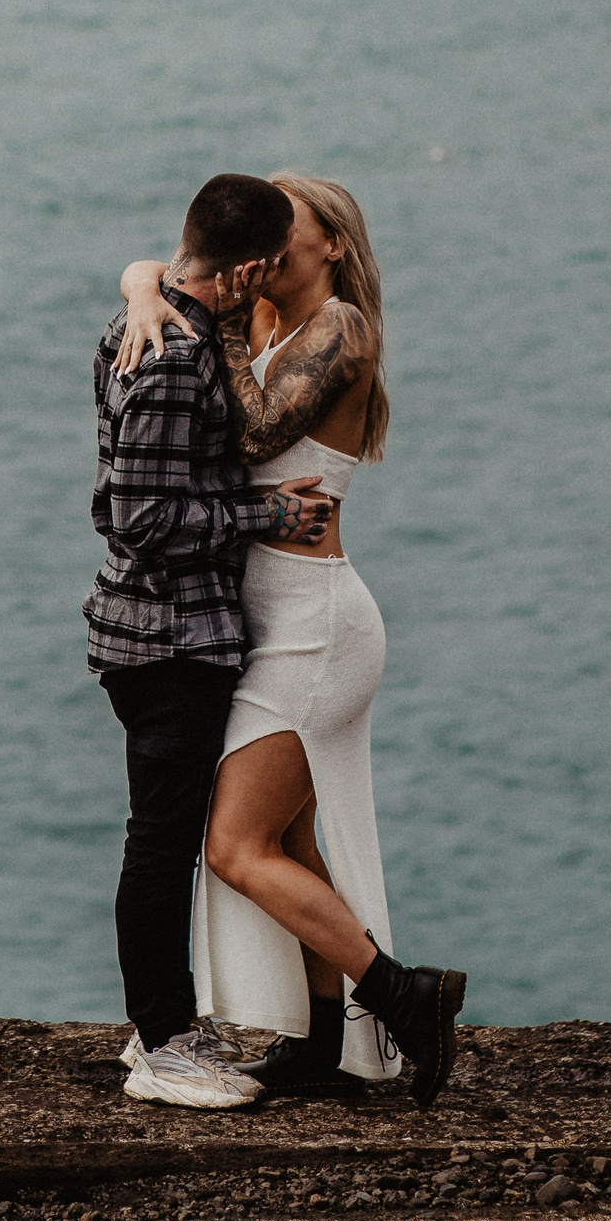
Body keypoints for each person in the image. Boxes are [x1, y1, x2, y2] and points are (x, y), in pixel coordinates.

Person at [111, 172, 466, 1108]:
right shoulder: (258, 315)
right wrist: (145, 287)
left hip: (315, 623)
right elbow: (171, 266)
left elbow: (255, 432)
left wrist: (206, 314)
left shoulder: (342, 329)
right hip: (259, 619)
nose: (264, 255)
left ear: (331, 244)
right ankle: (319, 1040)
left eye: (286, 233)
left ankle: (405, 995)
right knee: (290, 838)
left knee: (234, 844)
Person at [86, 174, 335, 1111]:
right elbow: (142, 517)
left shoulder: (139, 322)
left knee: (167, 838)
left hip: (159, 630)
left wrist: (139, 281)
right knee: (160, 844)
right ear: (249, 270)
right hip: (169, 636)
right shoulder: (175, 357)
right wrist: (269, 513)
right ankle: (159, 1043)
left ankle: (169, 1024)